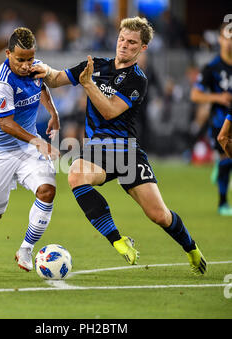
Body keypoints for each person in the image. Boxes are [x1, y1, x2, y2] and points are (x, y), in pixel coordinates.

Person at [31, 17, 207, 275]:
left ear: (142, 48)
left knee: (159, 215)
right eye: (122, 39)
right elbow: (57, 79)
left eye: (132, 42)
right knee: (76, 175)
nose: (124, 45)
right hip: (96, 150)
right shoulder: (96, 65)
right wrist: (39, 68)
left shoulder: (137, 79)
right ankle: (118, 240)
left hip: (125, 153)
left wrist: (88, 83)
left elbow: (110, 111)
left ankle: (191, 248)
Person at [0, 27, 60, 273]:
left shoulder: (35, 67)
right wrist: (38, 141)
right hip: (0, 153)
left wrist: (53, 111)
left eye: (30, 59)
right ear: (8, 53)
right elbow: (6, 124)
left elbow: (41, 86)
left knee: (47, 190)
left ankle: (26, 249)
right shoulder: (0, 83)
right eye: (20, 59)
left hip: (28, 149)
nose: (26, 65)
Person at [190, 21, 232, 216]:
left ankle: (221, 167)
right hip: (220, 122)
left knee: (227, 162)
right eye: (227, 38)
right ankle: (223, 203)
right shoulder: (212, 67)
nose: (230, 43)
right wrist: (217, 97)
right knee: (227, 160)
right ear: (220, 39)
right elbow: (195, 95)